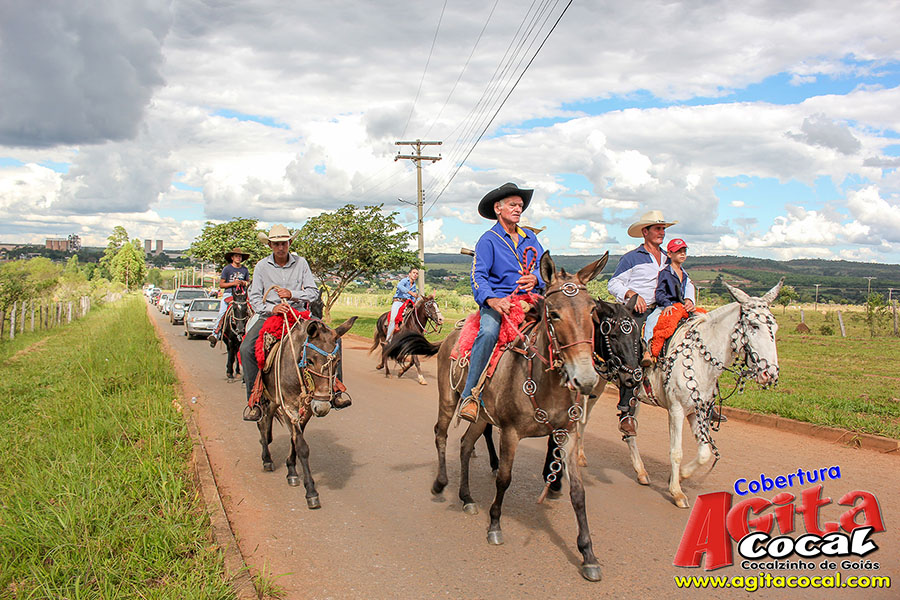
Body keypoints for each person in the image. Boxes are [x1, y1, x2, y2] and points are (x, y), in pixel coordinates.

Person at [458, 182, 544, 423]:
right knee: (487, 332)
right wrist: (492, 300)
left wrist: (536, 277)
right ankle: (470, 396)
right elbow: (478, 276)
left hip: (531, 300)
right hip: (500, 302)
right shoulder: (489, 240)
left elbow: (543, 265)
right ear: (498, 208)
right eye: (513, 205)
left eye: (520, 205)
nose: (518, 209)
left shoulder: (530, 238)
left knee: (563, 325)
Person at [240, 225, 322, 421]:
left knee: (333, 340)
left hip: (299, 315)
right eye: (276, 244)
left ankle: (335, 390)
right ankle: (255, 400)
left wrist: (292, 294)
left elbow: (313, 292)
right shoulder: (261, 266)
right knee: (246, 349)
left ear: (289, 243)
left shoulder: (301, 263)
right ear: (270, 245)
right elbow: (255, 298)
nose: (280, 247)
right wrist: (273, 308)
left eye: (283, 243)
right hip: (270, 315)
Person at [607, 210, 676, 436]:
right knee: (632, 352)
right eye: (657, 229)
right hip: (640, 310)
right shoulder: (631, 258)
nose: (662, 233)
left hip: (665, 308)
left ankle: (702, 397)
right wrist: (631, 294)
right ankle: (626, 411)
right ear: (645, 232)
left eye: (663, 229)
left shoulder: (668, 258)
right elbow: (613, 283)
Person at [643, 238, 696, 358]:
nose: (682, 254)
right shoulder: (665, 273)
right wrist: (667, 304)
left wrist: (689, 301)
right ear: (670, 254)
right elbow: (660, 292)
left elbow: (688, 290)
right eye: (678, 251)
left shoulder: (685, 274)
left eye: (684, 251)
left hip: (681, 306)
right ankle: (647, 351)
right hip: (666, 305)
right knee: (651, 320)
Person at [208, 247, 251, 347]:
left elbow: (248, 282)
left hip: (242, 295)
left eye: (240, 256)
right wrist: (233, 283)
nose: (238, 258)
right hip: (229, 294)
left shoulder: (244, 269)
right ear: (232, 257)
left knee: (251, 311)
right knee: (222, 312)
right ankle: (215, 333)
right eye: (236, 256)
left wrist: (244, 282)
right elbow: (222, 285)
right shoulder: (227, 269)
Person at [385, 267, 419, 341]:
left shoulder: (414, 285)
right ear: (409, 274)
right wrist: (410, 292)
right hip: (398, 302)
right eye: (414, 273)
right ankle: (388, 339)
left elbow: (412, 297)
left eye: (417, 273)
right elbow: (399, 286)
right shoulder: (404, 280)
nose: (415, 275)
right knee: (393, 319)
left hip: (406, 303)